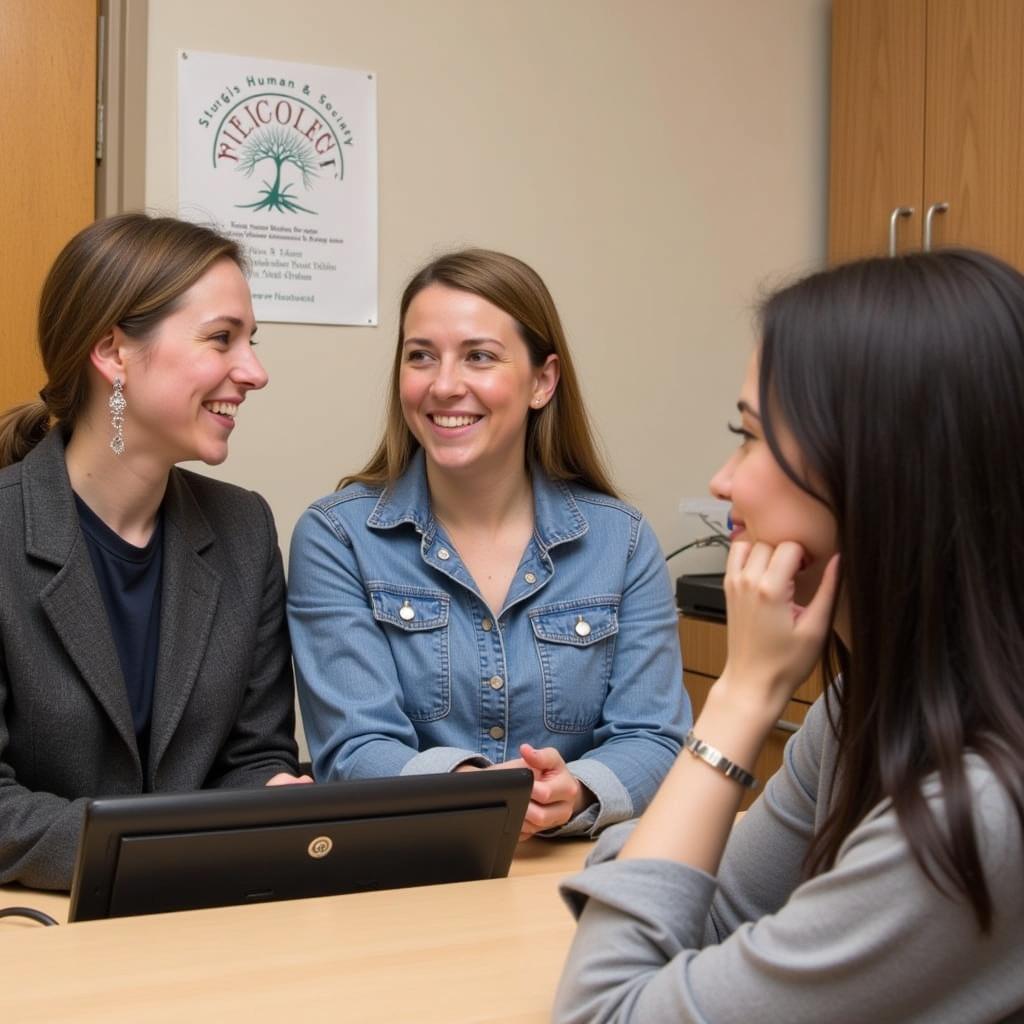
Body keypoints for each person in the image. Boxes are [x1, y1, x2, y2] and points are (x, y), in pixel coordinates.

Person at [554, 249, 1024, 1021]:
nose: (722, 480)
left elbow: (603, 1010)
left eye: (749, 437)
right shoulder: (869, 704)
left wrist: (742, 694)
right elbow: (704, 911)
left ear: (881, 469)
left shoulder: (979, 810)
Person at [288, 249, 688, 839]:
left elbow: (654, 737)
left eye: (479, 357)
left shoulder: (621, 541)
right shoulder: (337, 536)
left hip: (569, 875)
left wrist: (573, 791)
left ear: (542, 381)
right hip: (406, 871)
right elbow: (354, 747)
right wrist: (486, 790)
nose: (445, 385)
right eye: (421, 356)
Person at [0, 213, 309, 892]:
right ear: (112, 352)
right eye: (221, 339)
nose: (254, 372)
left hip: (208, 918)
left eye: (250, 342)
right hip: (43, 933)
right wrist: (159, 849)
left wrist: (276, 797)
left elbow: (254, 755)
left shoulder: (244, 529)